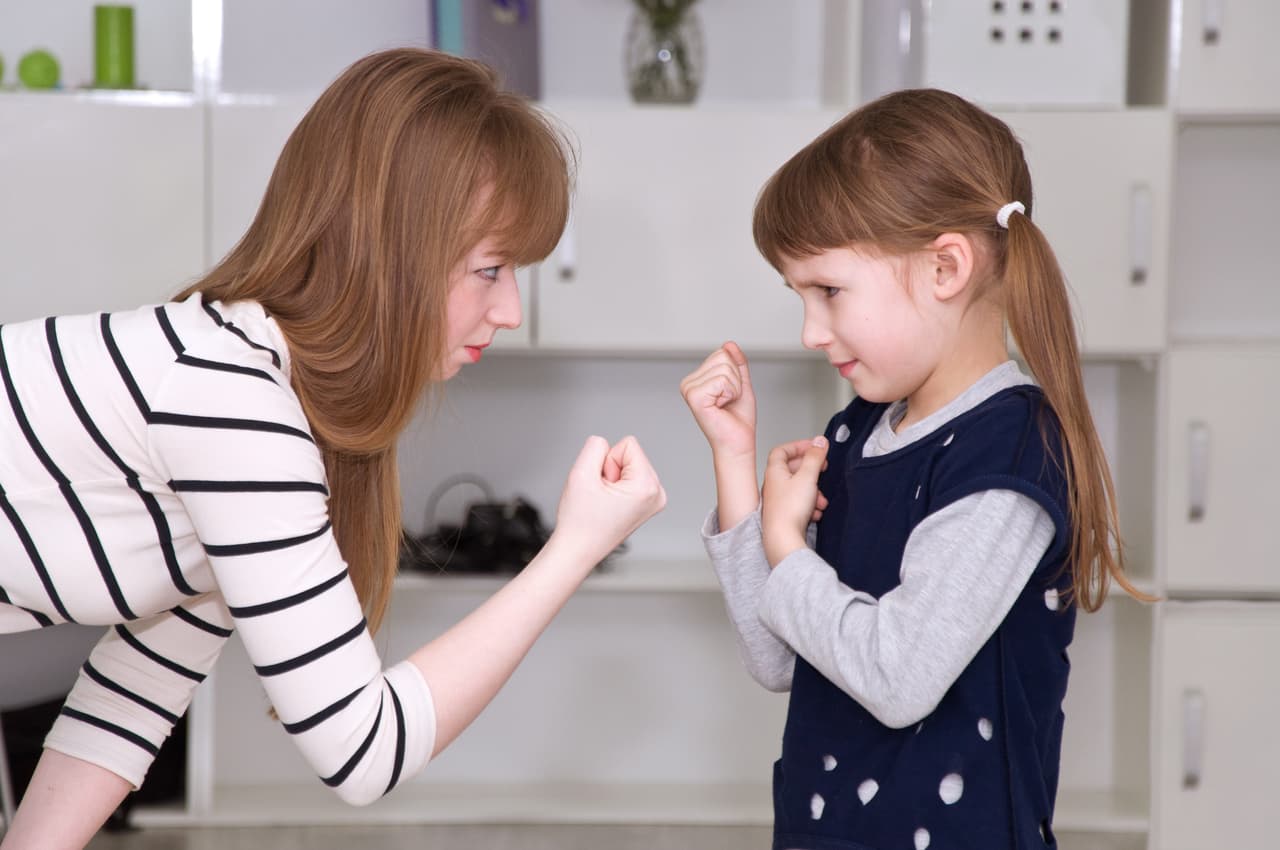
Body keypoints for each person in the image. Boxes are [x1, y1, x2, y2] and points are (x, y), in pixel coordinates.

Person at [0, 48, 665, 849]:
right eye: (490, 269)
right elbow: (362, 751)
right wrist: (574, 548)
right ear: (392, 251)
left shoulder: (250, 392)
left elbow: (129, 698)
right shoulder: (233, 403)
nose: (511, 311)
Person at [680, 88, 1149, 850]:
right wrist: (738, 468)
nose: (809, 332)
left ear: (945, 267)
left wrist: (788, 546)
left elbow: (898, 677)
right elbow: (778, 653)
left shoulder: (1009, 455)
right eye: (800, 296)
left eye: (828, 291)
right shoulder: (860, 429)